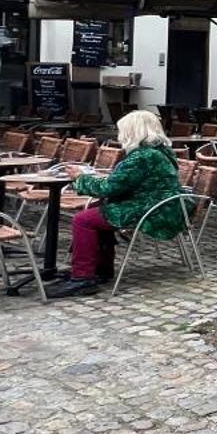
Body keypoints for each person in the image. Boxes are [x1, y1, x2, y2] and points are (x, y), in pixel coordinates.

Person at [48, 109, 187, 297]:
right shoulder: (159, 152)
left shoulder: (142, 156)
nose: (119, 135)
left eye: (122, 131)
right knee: (97, 212)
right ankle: (100, 268)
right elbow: (124, 183)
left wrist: (80, 178)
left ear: (133, 131)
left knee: (83, 220)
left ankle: (83, 277)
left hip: (149, 210)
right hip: (163, 207)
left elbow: (109, 188)